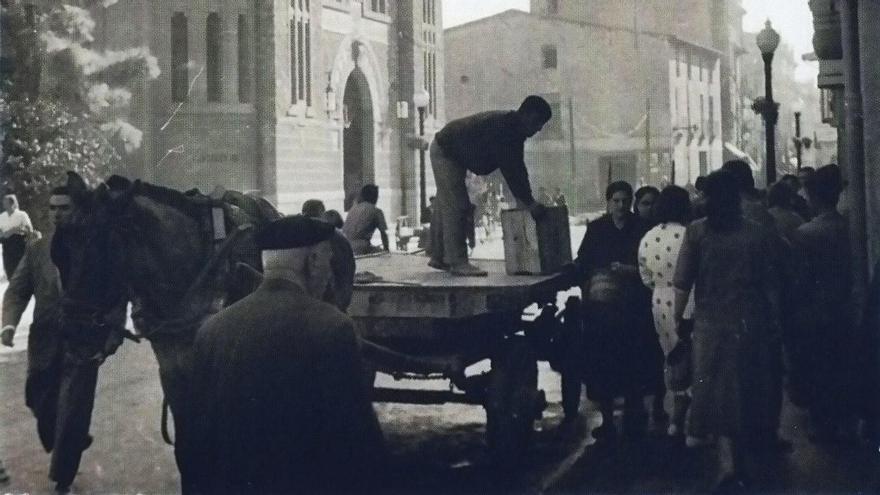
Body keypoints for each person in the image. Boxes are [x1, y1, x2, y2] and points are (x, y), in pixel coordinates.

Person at [186, 215, 386, 494]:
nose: (329, 275)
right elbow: (356, 441)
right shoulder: (332, 327)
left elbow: (195, 444)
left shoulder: (211, 330)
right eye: (328, 262)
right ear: (313, 261)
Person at [2, 187, 125, 495]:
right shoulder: (38, 249)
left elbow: (117, 296)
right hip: (44, 340)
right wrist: (7, 324)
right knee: (39, 398)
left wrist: (112, 334)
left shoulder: (98, 250)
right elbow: (17, 289)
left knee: (73, 409)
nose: (58, 214)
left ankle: (62, 477)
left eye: (65, 208)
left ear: (79, 211)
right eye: (53, 208)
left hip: (83, 341)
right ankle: (69, 437)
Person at [673, 170, 782, 490]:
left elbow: (681, 283)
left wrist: (678, 319)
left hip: (710, 326)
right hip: (750, 323)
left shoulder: (697, 233)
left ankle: (726, 462)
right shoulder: (756, 233)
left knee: (717, 395)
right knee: (747, 393)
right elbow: (771, 285)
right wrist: (775, 320)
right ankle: (742, 461)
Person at [569, 181, 660, 441]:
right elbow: (584, 261)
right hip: (602, 310)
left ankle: (635, 415)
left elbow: (650, 267)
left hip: (633, 308)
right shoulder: (597, 228)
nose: (620, 206)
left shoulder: (642, 229)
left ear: (630, 203)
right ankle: (607, 419)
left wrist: (629, 271)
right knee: (603, 364)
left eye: (624, 201)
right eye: (615, 201)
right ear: (608, 202)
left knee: (634, 362)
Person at [428, 95, 552, 276]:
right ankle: (458, 262)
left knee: (445, 204)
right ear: (526, 115)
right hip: (446, 151)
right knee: (457, 205)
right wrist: (528, 202)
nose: (538, 129)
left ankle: (438, 256)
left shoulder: (513, 129)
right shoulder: (505, 130)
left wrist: (525, 200)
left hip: (450, 147)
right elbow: (513, 170)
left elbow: (517, 169)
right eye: (537, 122)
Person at [790, 164, 855, 443]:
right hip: (844, 305)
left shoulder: (806, 233)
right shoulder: (849, 227)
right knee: (840, 365)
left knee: (818, 366)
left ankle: (822, 422)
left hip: (814, 310)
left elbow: (800, 278)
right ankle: (842, 419)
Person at [638, 185, 693, 437]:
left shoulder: (648, 237)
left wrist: (661, 287)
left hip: (660, 302)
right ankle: (685, 420)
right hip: (690, 299)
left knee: (673, 358)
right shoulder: (691, 234)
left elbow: (645, 276)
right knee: (694, 361)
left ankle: (675, 421)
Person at [302, 199, 356, 312]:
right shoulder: (335, 236)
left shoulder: (297, 235)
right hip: (333, 302)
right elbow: (347, 269)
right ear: (322, 212)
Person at [342, 184, 389, 255]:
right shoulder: (376, 211)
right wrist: (387, 250)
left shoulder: (353, 208)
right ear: (375, 197)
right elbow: (383, 234)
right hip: (361, 247)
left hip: (345, 245)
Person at [0, 194, 34, 279]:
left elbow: (30, 230)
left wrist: (15, 230)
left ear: (12, 203)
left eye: (5, 202)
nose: (3, 204)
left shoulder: (21, 215)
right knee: (10, 271)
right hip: (7, 246)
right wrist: (7, 233)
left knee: (21, 270)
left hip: (19, 245)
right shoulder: (1, 217)